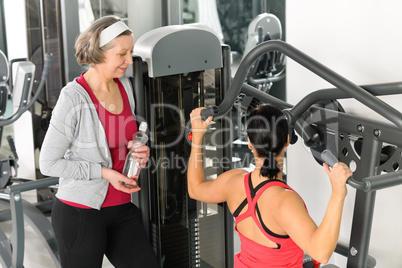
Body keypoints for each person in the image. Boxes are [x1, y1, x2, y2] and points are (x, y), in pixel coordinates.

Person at [39, 15, 159, 268]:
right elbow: (48, 164)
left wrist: (138, 150)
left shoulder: (126, 86)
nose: (130, 60)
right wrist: (104, 172)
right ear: (99, 53)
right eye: (122, 54)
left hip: (122, 208)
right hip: (79, 212)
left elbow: (124, 140)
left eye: (131, 52)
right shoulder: (73, 97)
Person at [187, 104, 352, 268]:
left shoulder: (233, 181)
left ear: (250, 144)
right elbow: (321, 253)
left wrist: (198, 135)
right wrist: (338, 193)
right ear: (287, 140)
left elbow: (195, 189)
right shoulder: (285, 201)